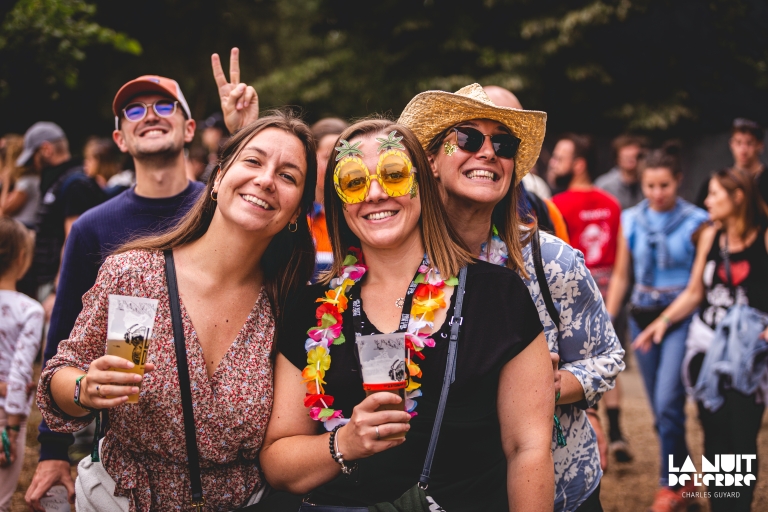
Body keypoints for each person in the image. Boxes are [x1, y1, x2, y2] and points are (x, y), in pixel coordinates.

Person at [261, 119, 555, 511]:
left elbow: (528, 448)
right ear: (339, 200)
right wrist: (344, 442)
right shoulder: (312, 309)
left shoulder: (499, 295)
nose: (376, 193)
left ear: (422, 184)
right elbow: (278, 463)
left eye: (394, 174)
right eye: (354, 181)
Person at [37, 111, 317, 512]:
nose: (266, 180)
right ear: (218, 178)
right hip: (125, 499)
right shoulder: (136, 275)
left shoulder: (289, 305)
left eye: (288, 176)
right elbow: (59, 376)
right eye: (253, 161)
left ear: (296, 212)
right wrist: (86, 388)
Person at [400, 83, 624, 511]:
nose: (488, 152)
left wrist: (551, 387)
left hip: (560, 491)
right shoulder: (399, 261)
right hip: (445, 493)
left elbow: (606, 358)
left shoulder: (551, 262)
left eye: (503, 144)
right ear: (430, 160)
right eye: (468, 138)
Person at [25, 75, 205, 511]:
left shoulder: (220, 213)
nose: (150, 116)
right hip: (131, 463)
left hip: (227, 458)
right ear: (120, 139)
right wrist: (53, 451)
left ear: (189, 128)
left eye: (164, 106)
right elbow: (63, 340)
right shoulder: (93, 227)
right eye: (135, 110)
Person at [636, 167, 768, 512]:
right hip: (707, 351)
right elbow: (695, 291)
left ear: (737, 197)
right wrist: (662, 322)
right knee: (714, 434)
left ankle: (737, 506)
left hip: (748, 358)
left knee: (742, 437)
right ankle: (723, 505)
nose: (707, 201)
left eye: (714, 194)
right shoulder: (711, 235)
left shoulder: (763, 236)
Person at [605, 146, 708, 512]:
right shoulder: (631, 218)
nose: (657, 192)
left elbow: (699, 284)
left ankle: (670, 485)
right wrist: (606, 320)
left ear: (679, 180)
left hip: (680, 318)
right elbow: (622, 275)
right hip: (641, 316)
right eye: (650, 185)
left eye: (664, 185)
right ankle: (686, 483)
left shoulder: (698, 221)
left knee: (668, 404)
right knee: (661, 411)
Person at [549, 133, 631, 464]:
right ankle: (617, 431)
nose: (554, 164)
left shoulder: (556, 205)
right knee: (609, 359)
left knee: (576, 364)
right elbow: (622, 261)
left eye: (560, 158)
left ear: (578, 164)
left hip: (573, 291)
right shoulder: (612, 203)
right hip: (610, 289)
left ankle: (589, 431)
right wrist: (611, 308)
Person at [16, 121, 106, 307]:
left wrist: (57, 291)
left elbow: (73, 240)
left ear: (46, 150)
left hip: (58, 287)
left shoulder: (74, 185)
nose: (34, 166)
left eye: (34, 158)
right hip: (51, 283)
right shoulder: (61, 181)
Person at [482, 85, 569, 243]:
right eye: (472, 138)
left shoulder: (545, 212)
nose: (488, 152)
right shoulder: (435, 214)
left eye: (504, 142)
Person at [0, 218, 43, 512]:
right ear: (22, 257)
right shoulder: (30, 311)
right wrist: (12, 430)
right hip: (6, 415)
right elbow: (19, 372)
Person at [696, 118, 767, 208]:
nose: (743, 150)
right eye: (738, 143)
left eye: (749, 143)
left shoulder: (765, 179)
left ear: (760, 145)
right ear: (731, 144)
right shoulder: (719, 181)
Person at [310, 117, 348, 278]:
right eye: (329, 157)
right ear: (310, 159)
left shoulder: (358, 219)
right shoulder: (292, 217)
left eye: (343, 158)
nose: (337, 166)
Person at [595, 135, 648, 210]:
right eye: (626, 157)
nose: (632, 161)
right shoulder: (604, 186)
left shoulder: (650, 182)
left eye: (635, 157)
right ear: (617, 159)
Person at [0, 135, 40, 229]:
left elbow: (5, 209)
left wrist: (6, 184)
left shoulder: (26, 182)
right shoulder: (29, 180)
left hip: (25, 228)